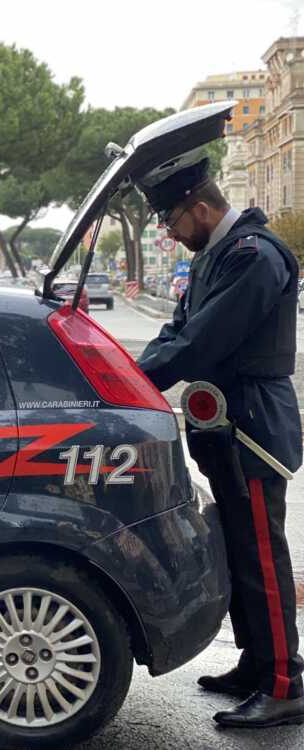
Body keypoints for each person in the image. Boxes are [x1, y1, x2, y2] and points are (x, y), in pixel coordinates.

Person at [135, 150, 304, 728]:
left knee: (262, 556)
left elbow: (200, 344)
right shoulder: (220, 255)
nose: (170, 231)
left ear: (200, 208)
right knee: (239, 551)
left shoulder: (253, 256)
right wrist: (134, 371)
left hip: (252, 424)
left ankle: (285, 682)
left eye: (171, 221)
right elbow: (176, 329)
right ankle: (257, 662)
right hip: (229, 425)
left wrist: (129, 384)